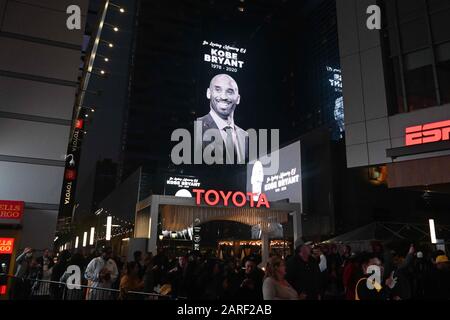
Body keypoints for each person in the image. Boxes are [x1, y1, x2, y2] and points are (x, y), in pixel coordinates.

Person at [196, 74, 248, 164]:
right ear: (208, 93)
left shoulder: (245, 136)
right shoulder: (196, 127)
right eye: (218, 90)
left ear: (238, 99)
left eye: (230, 91)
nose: (223, 97)